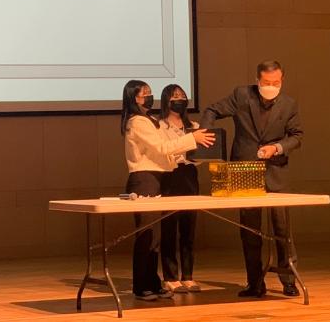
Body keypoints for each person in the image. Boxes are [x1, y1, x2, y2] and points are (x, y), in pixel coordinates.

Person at [199, 60, 304, 298]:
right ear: (258, 80)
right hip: (244, 172)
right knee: (250, 231)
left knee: (282, 228)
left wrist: (277, 147)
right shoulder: (242, 95)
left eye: (276, 82)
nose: (271, 86)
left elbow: (297, 135)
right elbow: (212, 110)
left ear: (282, 80)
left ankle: (289, 280)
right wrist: (204, 134)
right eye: (266, 82)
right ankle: (255, 282)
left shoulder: (289, 104)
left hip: (276, 172)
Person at [121, 79, 215, 302]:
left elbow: (166, 154)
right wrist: (192, 138)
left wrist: (194, 150)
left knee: (154, 238)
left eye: (150, 92)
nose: (149, 96)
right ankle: (141, 287)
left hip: (156, 178)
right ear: (134, 98)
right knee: (146, 237)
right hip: (144, 179)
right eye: (145, 93)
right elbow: (163, 148)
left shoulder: (148, 120)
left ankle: (152, 283)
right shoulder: (138, 121)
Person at [158, 84, 201, 294]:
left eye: (182, 96)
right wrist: (185, 145)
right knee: (169, 227)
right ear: (166, 100)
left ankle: (188, 276)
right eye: (175, 96)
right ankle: (170, 276)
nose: (180, 100)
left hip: (189, 174)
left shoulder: (193, 125)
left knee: (188, 228)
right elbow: (164, 152)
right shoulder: (159, 126)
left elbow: (198, 154)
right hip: (170, 174)